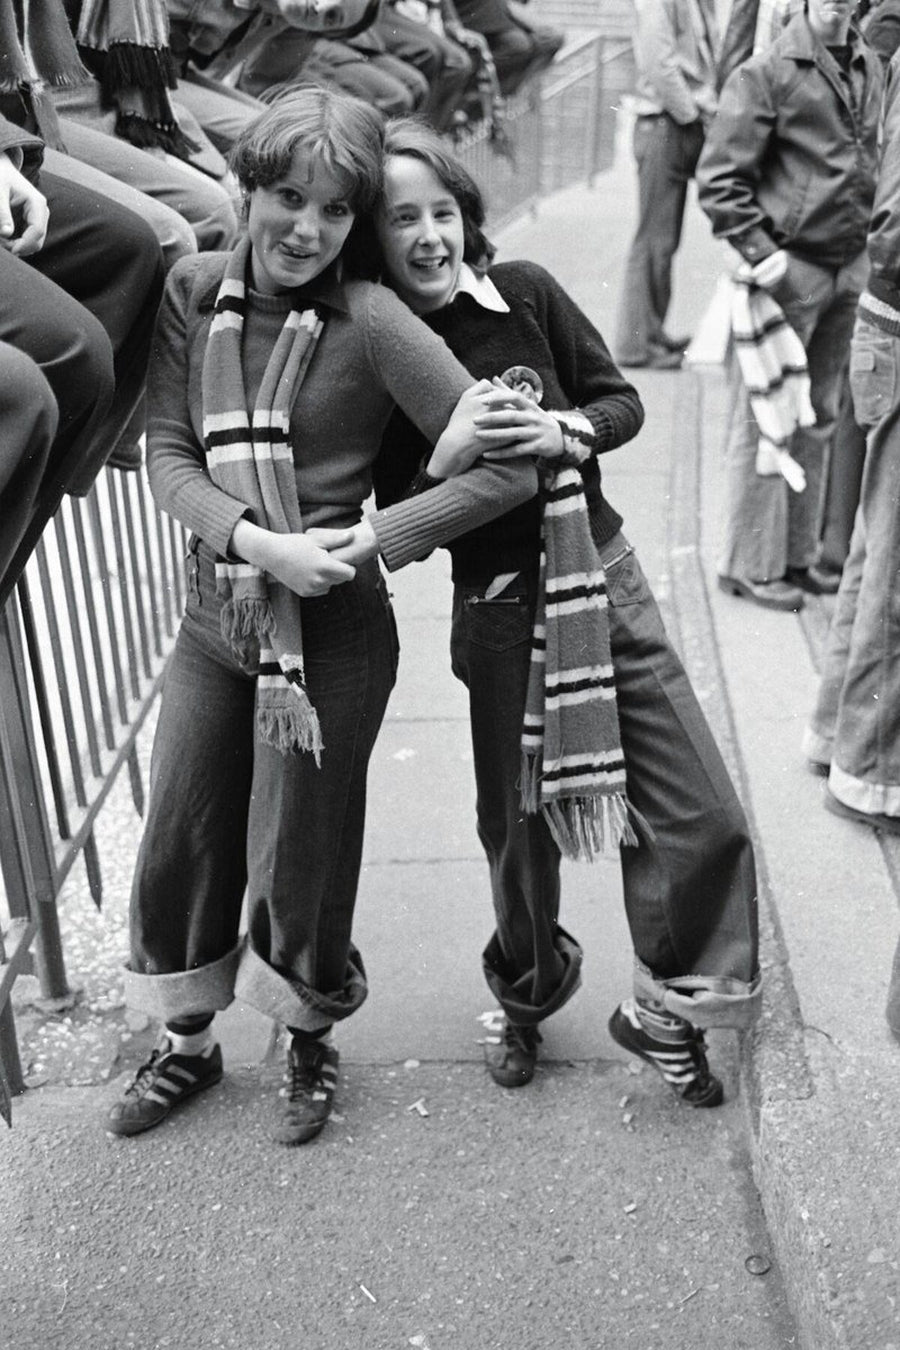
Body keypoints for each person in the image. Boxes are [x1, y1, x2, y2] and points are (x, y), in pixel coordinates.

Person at [104, 88, 538, 1147]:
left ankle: (307, 1034)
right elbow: (168, 454)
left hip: (335, 632)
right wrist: (257, 544)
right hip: (220, 614)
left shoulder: (375, 319)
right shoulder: (192, 289)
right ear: (245, 188)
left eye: (336, 210)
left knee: (303, 849)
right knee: (186, 833)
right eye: (288, 198)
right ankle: (189, 1042)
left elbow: (506, 473)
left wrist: (373, 540)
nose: (307, 229)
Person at [362, 118, 760, 1106]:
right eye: (401, 218)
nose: (428, 235)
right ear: (374, 239)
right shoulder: (381, 347)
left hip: (605, 577)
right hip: (498, 612)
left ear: (468, 215)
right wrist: (448, 458)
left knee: (702, 807)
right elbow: (396, 508)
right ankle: (527, 995)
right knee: (519, 832)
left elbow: (618, 401)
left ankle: (670, 1002)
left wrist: (564, 429)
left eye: (442, 211)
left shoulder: (526, 291)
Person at [696, 0, 882, 611]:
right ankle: (748, 564)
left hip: (845, 265)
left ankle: (796, 555)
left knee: (818, 412)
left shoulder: (867, 64)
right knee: (764, 417)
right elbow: (720, 176)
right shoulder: (768, 70)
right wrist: (762, 251)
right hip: (793, 266)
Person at [802, 48, 900, 834]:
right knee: (892, 568)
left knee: (880, 548)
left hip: (886, 326)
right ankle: (872, 774)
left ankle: (839, 737)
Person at [613, 0, 719, 371]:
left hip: (674, 123)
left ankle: (652, 333)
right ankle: (637, 346)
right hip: (665, 124)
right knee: (654, 241)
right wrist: (691, 116)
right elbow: (659, 65)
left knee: (663, 241)